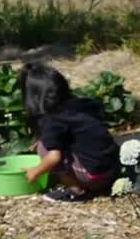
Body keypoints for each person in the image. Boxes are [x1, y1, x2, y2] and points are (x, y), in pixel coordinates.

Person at [18, 62, 120, 203]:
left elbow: (54, 158)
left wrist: (35, 171)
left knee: (44, 148)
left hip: (95, 178)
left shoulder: (52, 118)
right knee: (47, 143)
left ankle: (76, 191)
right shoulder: (79, 104)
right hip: (114, 169)